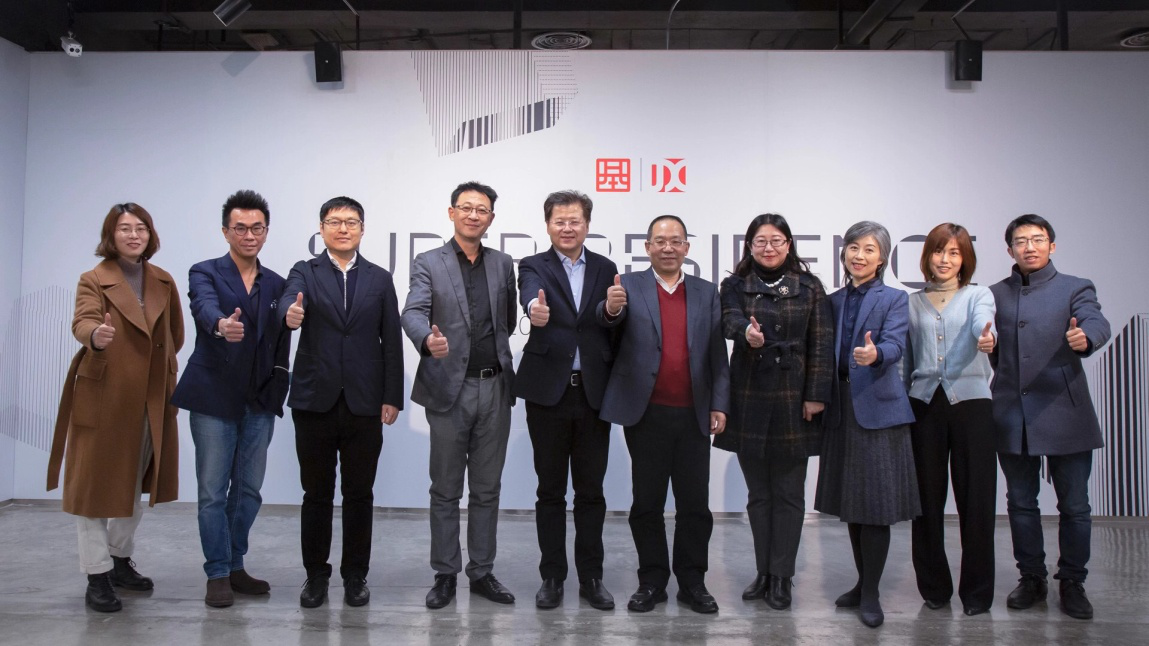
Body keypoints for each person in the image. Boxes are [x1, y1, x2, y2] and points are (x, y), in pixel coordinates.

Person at [48, 202, 184, 613]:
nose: (134, 235)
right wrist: (96, 336)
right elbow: (83, 321)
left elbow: (175, 334)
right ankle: (97, 575)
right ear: (111, 235)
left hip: (150, 397)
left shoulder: (163, 280)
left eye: (141, 228)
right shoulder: (94, 278)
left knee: (133, 484)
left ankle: (119, 559)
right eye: (125, 228)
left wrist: (163, 372)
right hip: (105, 395)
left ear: (150, 235)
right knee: (92, 489)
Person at [597, 215, 730, 615]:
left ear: (687, 247)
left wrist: (719, 402)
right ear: (647, 247)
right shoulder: (627, 285)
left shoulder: (706, 292)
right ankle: (652, 581)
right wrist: (610, 310)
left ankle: (692, 582)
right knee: (647, 503)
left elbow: (717, 354)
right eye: (660, 241)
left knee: (695, 505)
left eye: (676, 241)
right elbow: (607, 329)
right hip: (646, 413)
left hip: (694, 413)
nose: (668, 247)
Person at [281, 196, 404, 609]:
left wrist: (392, 396)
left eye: (351, 222)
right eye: (334, 222)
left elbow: (391, 341)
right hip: (314, 400)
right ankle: (316, 576)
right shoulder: (305, 271)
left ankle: (355, 576)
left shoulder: (379, 278)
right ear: (321, 229)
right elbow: (290, 301)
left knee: (359, 494)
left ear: (362, 229)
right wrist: (290, 315)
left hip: (365, 402)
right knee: (316, 494)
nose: (343, 228)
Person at [171, 190, 292, 608]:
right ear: (226, 231)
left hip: (258, 400)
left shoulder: (276, 283)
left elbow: (280, 343)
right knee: (212, 491)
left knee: (249, 490)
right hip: (213, 397)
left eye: (257, 228)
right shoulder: (204, 272)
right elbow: (203, 307)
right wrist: (221, 325)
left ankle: (235, 562)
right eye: (240, 228)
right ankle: (218, 572)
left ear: (266, 231)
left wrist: (277, 389)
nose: (249, 235)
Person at [401, 181, 518, 609]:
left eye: (481, 209)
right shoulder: (429, 262)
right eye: (466, 207)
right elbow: (413, 311)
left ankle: (482, 571)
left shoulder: (503, 263)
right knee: (446, 489)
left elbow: (507, 319)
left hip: (495, 387)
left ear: (491, 218)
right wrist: (426, 340)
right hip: (449, 388)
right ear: (452, 213)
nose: (473, 215)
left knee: (487, 489)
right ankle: (445, 574)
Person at [990, 213, 1110, 620]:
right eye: (1021, 241)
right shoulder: (994, 294)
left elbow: (1095, 320)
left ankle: (1072, 581)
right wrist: (986, 345)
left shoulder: (1075, 287)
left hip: (1064, 410)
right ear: (1010, 250)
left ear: (1052, 245)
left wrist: (1086, 337)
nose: (1030, 247)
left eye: (1038, 239)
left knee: (1074, 505)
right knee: (1021, 503)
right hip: (1012, 412)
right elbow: (988, 341)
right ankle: (1032, 578)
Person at [716, 213, 834, 610]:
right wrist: (746, 334)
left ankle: (782, 576)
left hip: (793, 396)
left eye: (776, 241)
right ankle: (763, 572)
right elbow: (729, 320)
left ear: (789, 245)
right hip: (749, 395)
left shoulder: (810, 286)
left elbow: (822, 343)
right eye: (761, 241)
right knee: (758, 494)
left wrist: (816, 395)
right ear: (749, 246)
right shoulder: (735, 285)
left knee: (788, 493)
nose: (769, 248)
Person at [514, 190, 619, 611]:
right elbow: (530, 294)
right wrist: (533, 310)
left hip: (593, 393)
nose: (568, 227)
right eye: (560, 220)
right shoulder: (532, 265)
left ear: (587, 224)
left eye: (575, 220)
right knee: (550, 490)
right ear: (548, 225)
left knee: (591, 491)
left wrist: (612, 311)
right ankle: (552, 576)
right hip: (547, 393)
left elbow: (609, 320)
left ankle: (592, 577)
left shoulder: (606, 267)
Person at [814, 220, 920, 628]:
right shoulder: (832, 300)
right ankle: (862, 584)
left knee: (876, 507)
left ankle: (872, 593)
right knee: (853, 505)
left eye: (869, 249)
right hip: (840, 409)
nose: (859, 256)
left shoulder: (895, 298)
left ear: (882, 258)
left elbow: (894, 344)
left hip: (878, 410)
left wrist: (876, 356)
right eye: (854, 247)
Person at [905, 223, 997, 616]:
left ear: (965, 259)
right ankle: (934, 587)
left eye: (954, 253)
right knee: (926, 501)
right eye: (939, 251)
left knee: (976, 500)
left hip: (971, 407)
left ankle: (977, 593)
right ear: (927, 256)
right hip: (923, 406)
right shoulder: (911, 302)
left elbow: (983, 322)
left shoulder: (979, 295)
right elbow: (905, 359)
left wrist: (986, 338)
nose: (945, 259)